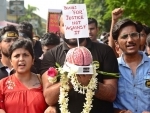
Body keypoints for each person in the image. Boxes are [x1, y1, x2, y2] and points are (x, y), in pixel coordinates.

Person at [41, 12, 119, 113]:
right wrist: (70, 80)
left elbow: (112, 94)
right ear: (59, 27)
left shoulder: (105, 51)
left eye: (76, 25)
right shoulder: (51, 55)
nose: (72, 29)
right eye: (66, 25)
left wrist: (90, 83)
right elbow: (49, 98)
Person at [112, 18, 150, 113]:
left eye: (134, 35)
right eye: (124, 36)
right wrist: (119, 112)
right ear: (116, 43)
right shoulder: (112, 67)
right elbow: (106, 101)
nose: (130, 40)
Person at [0, 39, 47, 113]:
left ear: (33, 60)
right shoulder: (2, 84)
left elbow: (53, 102)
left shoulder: (43, 81)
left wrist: (52, 107)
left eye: (25, 55)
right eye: (16, 56)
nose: (21, 59)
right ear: (11, 61)